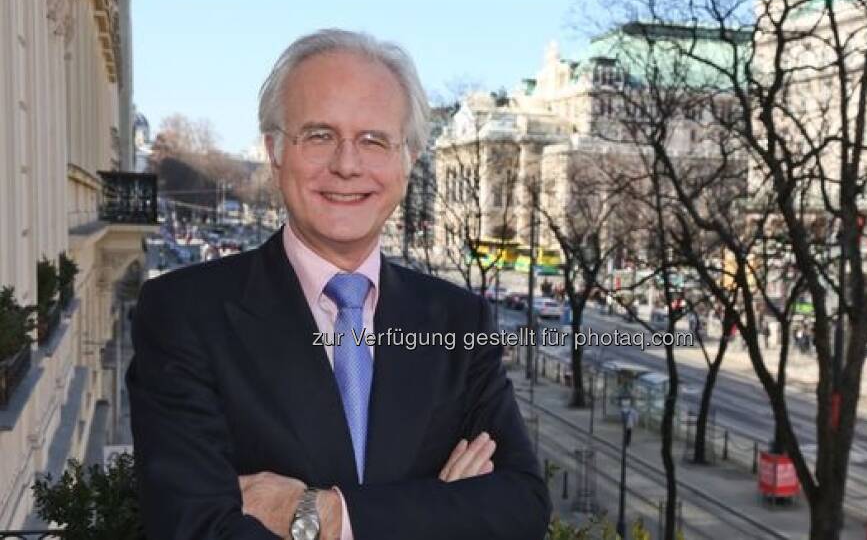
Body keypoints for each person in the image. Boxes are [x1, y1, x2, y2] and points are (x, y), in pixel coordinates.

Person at [127, 29, 550, 540]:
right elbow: (195, 528)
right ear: (275, 150)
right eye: (320, 135)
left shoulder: (459, 320)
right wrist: (440, 508)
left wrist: (321, 514)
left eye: (374, 140)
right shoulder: (183, 313)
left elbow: (521, 506)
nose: (347, 165)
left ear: (408, 159)